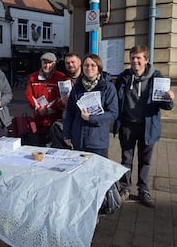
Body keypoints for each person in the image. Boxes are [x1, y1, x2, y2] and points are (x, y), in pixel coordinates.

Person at [113, 44, 174, 207]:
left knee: (145, 160)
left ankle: (143, 190)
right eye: (132, 57)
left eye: (139, 58)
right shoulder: (124, 77)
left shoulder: (157, 77)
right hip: (127, 125)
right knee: (126, 159)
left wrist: (169, 98)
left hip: (148, 126)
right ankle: (125, 188)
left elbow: (166, 106)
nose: (135, 61)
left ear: (146, 60)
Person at [63, 53, 118, 156]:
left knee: (97, 171)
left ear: (99, 68)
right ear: (82, 67)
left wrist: (91, 118)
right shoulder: (77, 87)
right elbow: (70, 113)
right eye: (86, 65)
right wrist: (67, 134)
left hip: (97, 141)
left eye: (93, 65)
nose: (89, 68)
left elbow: (113, 113)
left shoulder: (108, 87)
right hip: (78, 140)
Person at [25, 52, 67, 146]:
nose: (47, 65)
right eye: (44, 62)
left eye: (50, 63)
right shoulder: (33, 77)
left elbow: (62, 97)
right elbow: (29, 95)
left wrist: (48, 110)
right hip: (38, 120)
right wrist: (38, 108)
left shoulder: (61, 77)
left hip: (55, 122)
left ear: (55, 63)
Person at [50, 52, 81, 148]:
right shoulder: (62, 80)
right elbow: (55, 101)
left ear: (79, 62)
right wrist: (61, 102)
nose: (70, 65)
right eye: (67, 63)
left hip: (82, 120)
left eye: (73, 62)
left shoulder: (86, 78)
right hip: (68, 120)